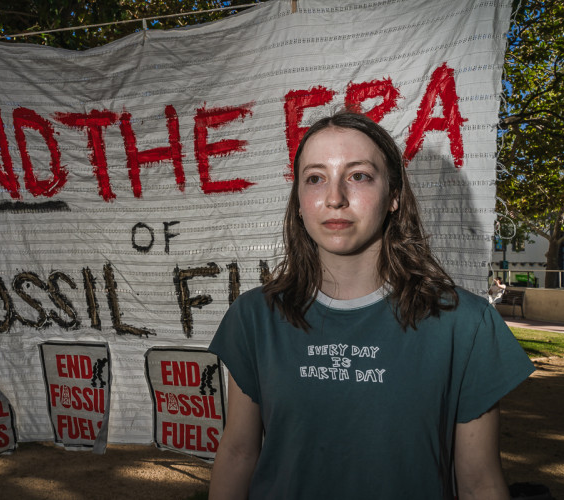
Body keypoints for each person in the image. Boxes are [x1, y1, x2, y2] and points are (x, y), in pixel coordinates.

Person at [208, 111, 534, 499]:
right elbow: (239, 453)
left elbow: (480, 482)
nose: (334, 198)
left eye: (358, 175)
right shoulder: (253, 317)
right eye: (315, 178)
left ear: (394, 195)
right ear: (298, 201)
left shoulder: (465, 325)